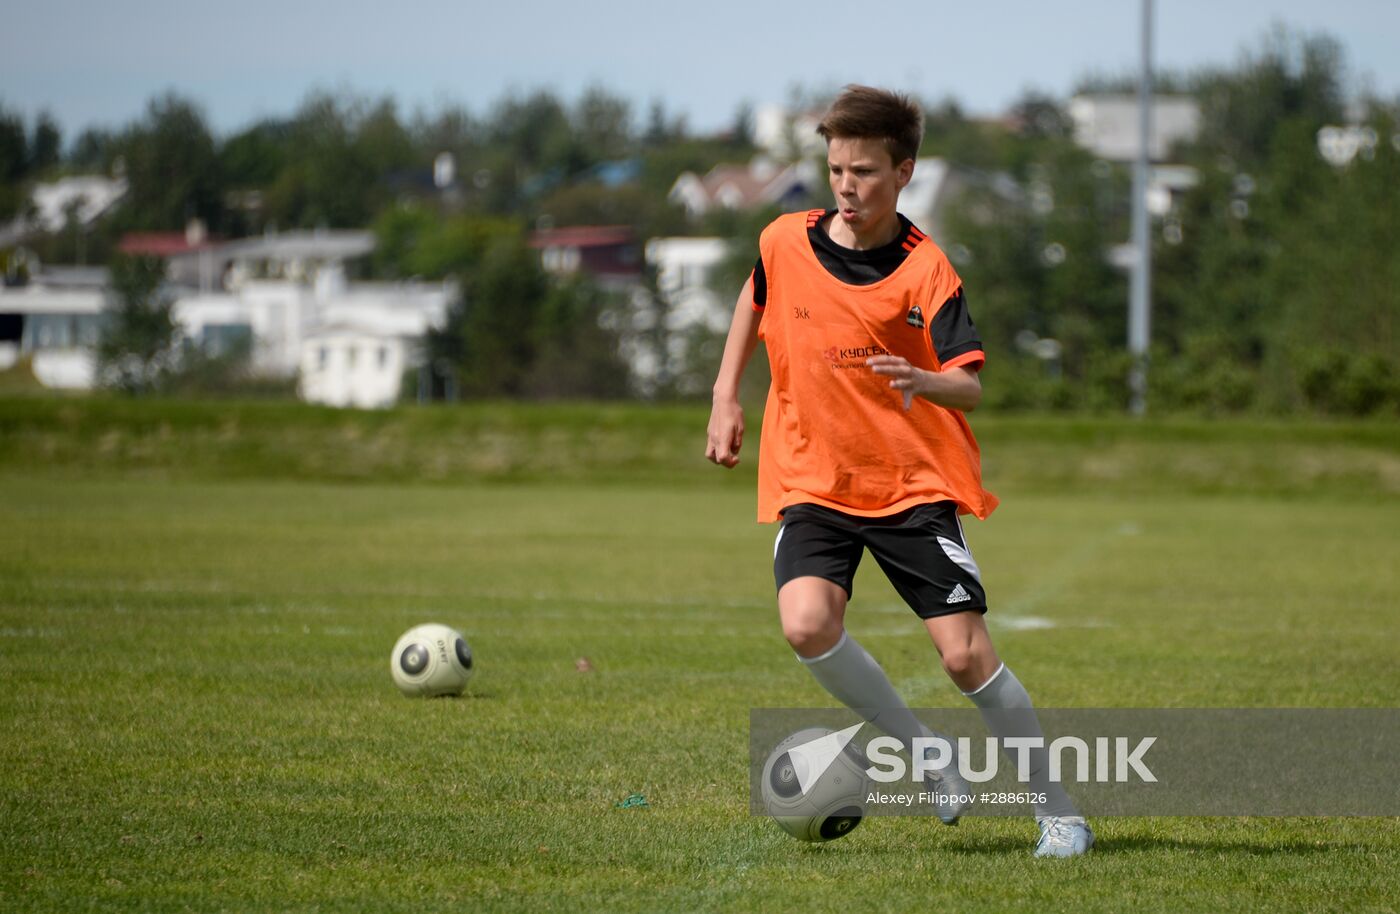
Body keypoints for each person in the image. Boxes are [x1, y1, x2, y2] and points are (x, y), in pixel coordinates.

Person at [704, 85, 1093, 857]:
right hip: (814, 480)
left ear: (903, 172)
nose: (848, 187)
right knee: (807, 623)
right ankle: (926, 754)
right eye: (837, 169)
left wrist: (925, 382)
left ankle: (1059, 811)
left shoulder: (927, 270)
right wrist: (724, 396)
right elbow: (754, 301)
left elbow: (971, 383)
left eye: (866, 172)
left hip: (910, 487)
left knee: (964, 656)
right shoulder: (783, 239)